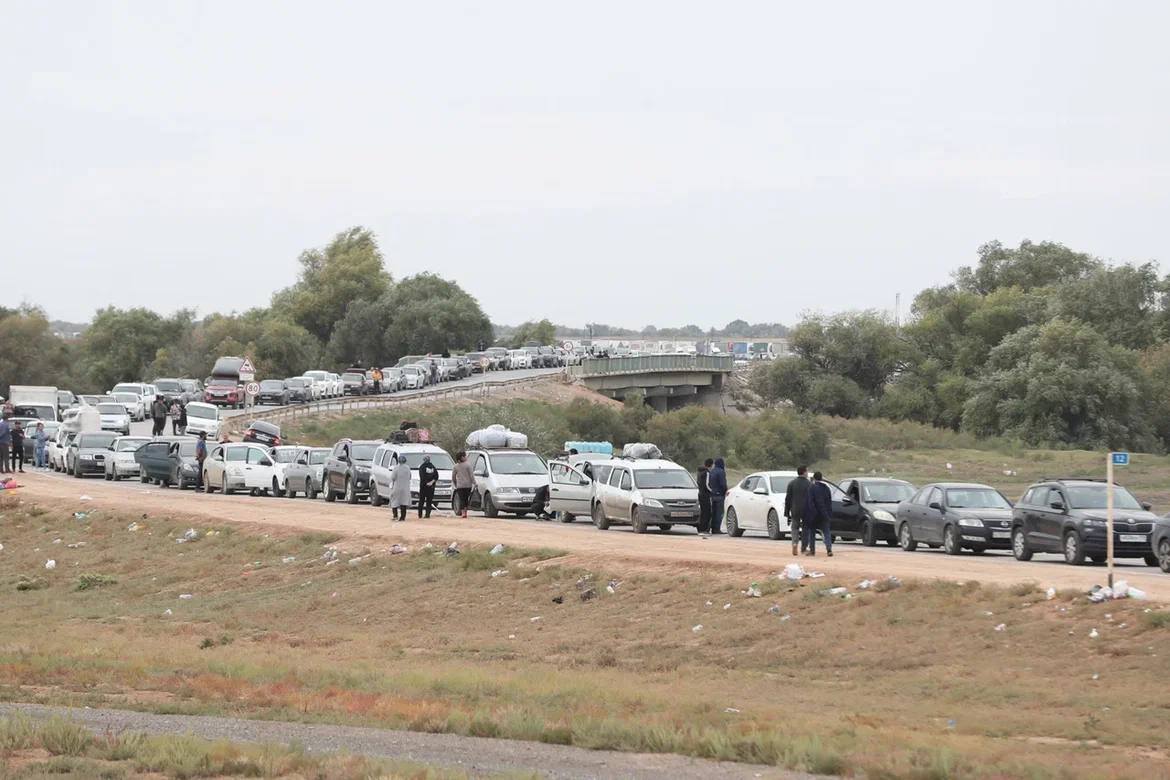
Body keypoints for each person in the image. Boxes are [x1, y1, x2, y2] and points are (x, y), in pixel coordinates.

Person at [802, 471, 834, 557]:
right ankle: (829, 549)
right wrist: (828, 514)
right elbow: (829, 502)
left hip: (814, 515)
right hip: (825, 514)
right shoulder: (826, 488)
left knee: (812, 533)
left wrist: (811, 513)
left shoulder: (811, 488)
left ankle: (812, 550)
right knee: (826, 532)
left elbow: (810, 502)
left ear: (814, 478)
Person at [784, 466, 811, 556]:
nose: (807, 473)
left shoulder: (791, 483)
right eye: (807, 471)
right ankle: (803, 548)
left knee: (794, 527)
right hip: (806, 510)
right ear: (803, 472)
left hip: (795, 509)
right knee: (805, 529)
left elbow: (788, 499)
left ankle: (794, 543)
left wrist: (787, 512)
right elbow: (812, 498)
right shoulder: (809, 484)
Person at [707, 457, 728, 534]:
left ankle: (711, 528)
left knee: (713, 513)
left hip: (712, 495)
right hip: (719, 495)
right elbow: (723, 484)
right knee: (719, 513)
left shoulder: (712, 471)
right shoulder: (721, 472)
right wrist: (725, 491)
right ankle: (716, 529)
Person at [389, 454, 412, 521]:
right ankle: (402, 517)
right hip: (405, 488)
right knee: (404, 502)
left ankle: (395, 516)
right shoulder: (408, 468)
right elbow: (410, 477)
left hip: (397, 487)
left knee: (394, 501)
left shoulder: (396, 468)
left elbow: (393, 477)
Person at [452, 450, 474, 517]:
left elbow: (453, 477)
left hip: (460, 485)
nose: (466, 457)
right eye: (465, 456)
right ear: (462, 457)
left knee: (461, 499)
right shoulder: (468, 465)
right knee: (466, 499)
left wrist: (455, 484)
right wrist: (475, 483)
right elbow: (471, 475)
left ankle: (462, 513)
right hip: (468, 485)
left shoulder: (455, 466)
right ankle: (465, 512)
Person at [696, 458, 713, 534]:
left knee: (703, 512)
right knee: (707, 512)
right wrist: (712, 491)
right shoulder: (707, 473)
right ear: (711, 465)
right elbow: (707, 485)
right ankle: (704, 529)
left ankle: (700, 529)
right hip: (705, 495)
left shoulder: (699, 472)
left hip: (700, 493)